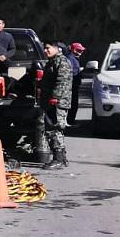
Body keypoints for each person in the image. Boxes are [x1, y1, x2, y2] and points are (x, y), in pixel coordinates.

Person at [39, 40, 73, 170]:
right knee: (52, 129)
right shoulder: (51, 62)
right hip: (49, 101)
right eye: (45, 48)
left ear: (57, 48)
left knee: (55, 129)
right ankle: (61, 158)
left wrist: (55, 98)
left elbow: (62, 82)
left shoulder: (61, 62)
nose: (45, 51)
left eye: (48, 48)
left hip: (57, 102)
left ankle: (58, 159)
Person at [66, 42, 85, 124]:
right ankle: (70, 121)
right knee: (72, 104)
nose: (81, 52)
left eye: (81, 51)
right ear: (74, 50)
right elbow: (70, 72)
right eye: (79, 50)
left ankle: (71, 120)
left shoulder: (74, 58)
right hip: (71, 86)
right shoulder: (70, 58)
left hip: (74, 86)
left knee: (74, 104)